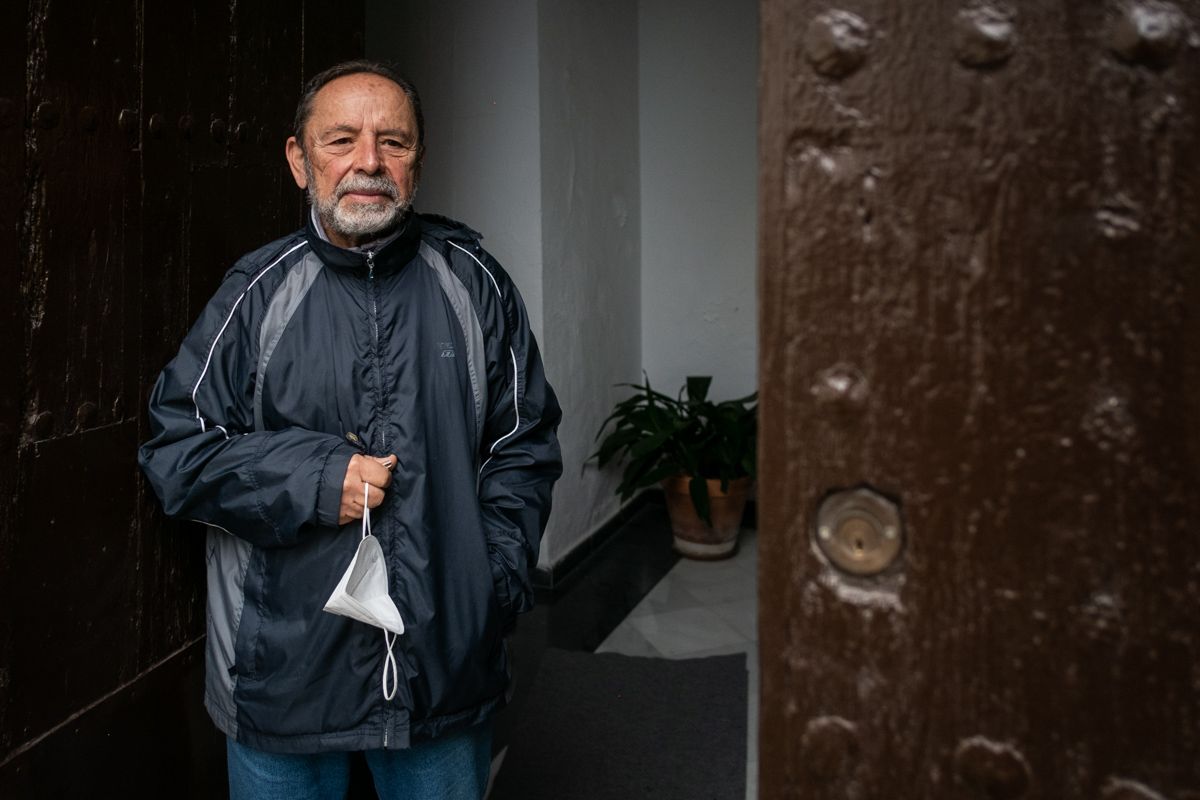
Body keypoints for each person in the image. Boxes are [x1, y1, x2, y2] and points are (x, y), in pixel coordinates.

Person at [138, 60, 562, 799]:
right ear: (300, 160)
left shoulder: (477, 284)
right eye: (342, 139)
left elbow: (521, 446)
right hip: (283, 677)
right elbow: (177, 450)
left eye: (392, 141)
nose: (369, 161)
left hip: (442, 671)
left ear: (418, 161)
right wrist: (314, 478)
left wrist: (488, 587)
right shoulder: (255, 295)